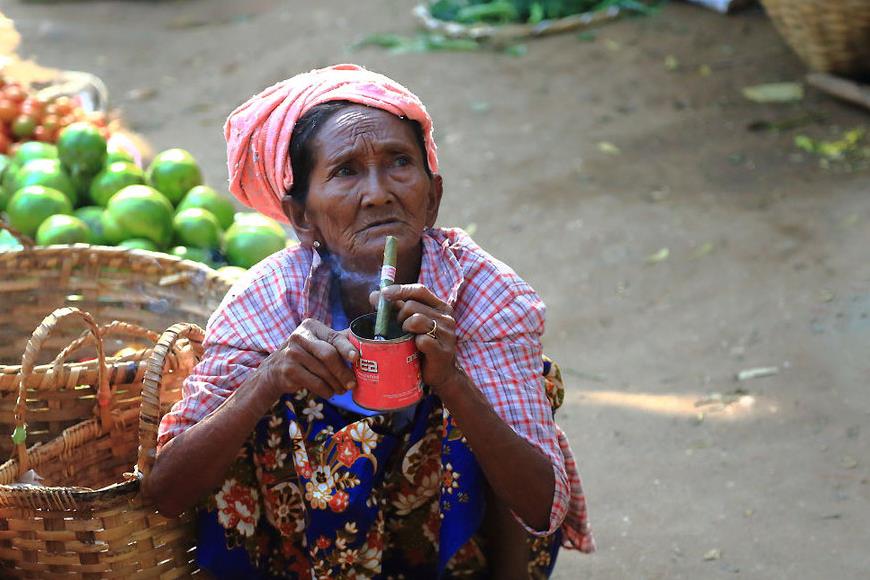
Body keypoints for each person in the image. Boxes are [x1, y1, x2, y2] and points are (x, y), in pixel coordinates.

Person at [145, 64, 593, 579]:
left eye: (399, 162)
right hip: (302, 547)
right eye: (345, 171)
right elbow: (165, 491)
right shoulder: (267, 300)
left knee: (508, 394)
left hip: (440, 538)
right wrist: (267, 381)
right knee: (251, 409)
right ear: (301, 217)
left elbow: (541, 507)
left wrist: (450, 381)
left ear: (433, 197)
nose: (379, 193)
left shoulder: (486, 293)